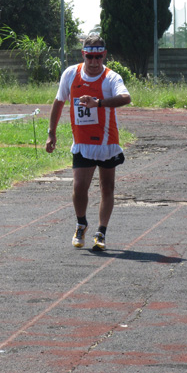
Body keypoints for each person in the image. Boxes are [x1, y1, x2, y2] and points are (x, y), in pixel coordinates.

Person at [45, 35, 131, 251]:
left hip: (106, 141)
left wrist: (99, 103)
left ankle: (101, 231)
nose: (94, 62)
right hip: (82, 142)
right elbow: (58, 102)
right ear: (83, 54)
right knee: (79, 187)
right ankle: (81, 223)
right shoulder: (71, 74)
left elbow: (126, 98)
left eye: (98, 57)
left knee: (107, 187)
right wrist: (51, 133)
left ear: (104, 55)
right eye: (90, 57)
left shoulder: (111, 78)